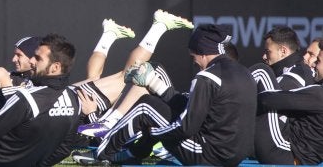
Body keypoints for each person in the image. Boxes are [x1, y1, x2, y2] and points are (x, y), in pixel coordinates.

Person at [72, 24, 258, 166]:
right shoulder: (245, 73)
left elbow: (186, 127)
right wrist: (153, 83)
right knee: (152, 107)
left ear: (202, 53)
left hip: (208, 155)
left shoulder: (207, 76)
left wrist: (151, 132)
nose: (194, 63)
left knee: (146, 106)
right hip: (233, 155)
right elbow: (192, 108)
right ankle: (135, 152)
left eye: (193, 57)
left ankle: (100, 155)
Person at [0, 33, 82, 167]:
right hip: (20, 158)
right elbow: (64, 150)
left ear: (55, 67)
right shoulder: (74, 99)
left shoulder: (29, 98)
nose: (32, 61)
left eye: (38, 58)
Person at [254, 39, 323, 165]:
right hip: (301, 157)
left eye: (318, 61)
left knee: (262, 72)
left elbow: (269, 99)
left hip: (281, 151)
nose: (314, 65)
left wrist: (239, 102)